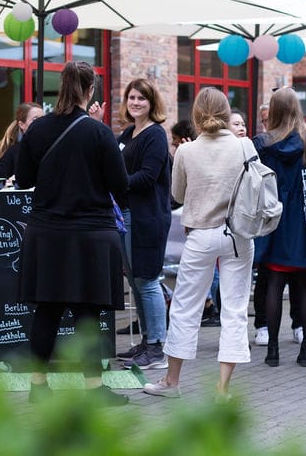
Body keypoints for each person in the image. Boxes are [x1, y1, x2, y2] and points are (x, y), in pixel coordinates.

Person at [14, 61, 130, 406]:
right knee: (87, 314)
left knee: (46, 311)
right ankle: (94, 390)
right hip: (91, 234)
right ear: (90, 90)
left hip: (46, 232)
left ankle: (38, 387)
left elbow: (23, 180)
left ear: (59, 87)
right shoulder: (99, 132)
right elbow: (120, 186)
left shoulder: (36, 130)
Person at [143, 87, 255, 399]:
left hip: (201, 234)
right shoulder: (244, 145)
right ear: (225, 111)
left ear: (196, 113)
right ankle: (222, 389)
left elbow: (177, 194)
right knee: (234, 308)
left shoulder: (186, 152)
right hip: (239, 233)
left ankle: (172, 382)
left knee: (184, 307)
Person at [254, 87, 306, 368]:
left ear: (272, 111)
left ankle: (272, 350)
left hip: (274, 221)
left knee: (273, 284)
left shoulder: (261, 143)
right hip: (305, 221)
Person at [114, 79, 172, 372]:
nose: (135, 102)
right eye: (131, 97)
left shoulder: (156, 136)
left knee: (148, 280)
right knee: (135, 281)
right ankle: (147, 340)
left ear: (152, 103)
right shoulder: (128, 133)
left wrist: (116, 183)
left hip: (147, 218)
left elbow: (148, 177)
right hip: (126, 215)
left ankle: (157, 348)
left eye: (141, 99)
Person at [0, 102, 43, 185]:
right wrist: (9, 182)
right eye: (35, 119)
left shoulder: (51, 148)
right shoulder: (14, 151)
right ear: (22, 125)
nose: (41, 123)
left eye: (43, 119)